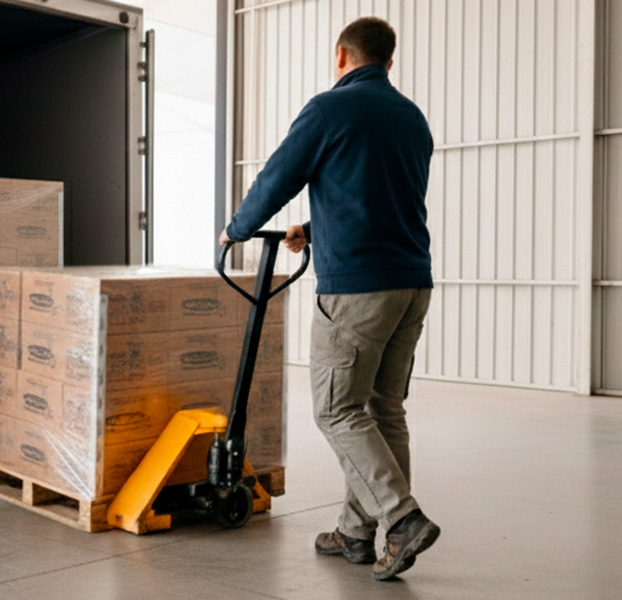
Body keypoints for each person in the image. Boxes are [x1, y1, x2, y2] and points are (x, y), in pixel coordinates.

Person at [219, 16, 439, 580]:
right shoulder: (412, 119)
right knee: (384, 409)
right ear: (388, 62)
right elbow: (385, 199)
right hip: (412, 283)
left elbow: (277, 178)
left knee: (336, 408)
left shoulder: (328, 110)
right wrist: (314, 231)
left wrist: (237, 229)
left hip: (358, 289)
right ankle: (356, 532)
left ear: (342, 55)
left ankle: (402, 518)